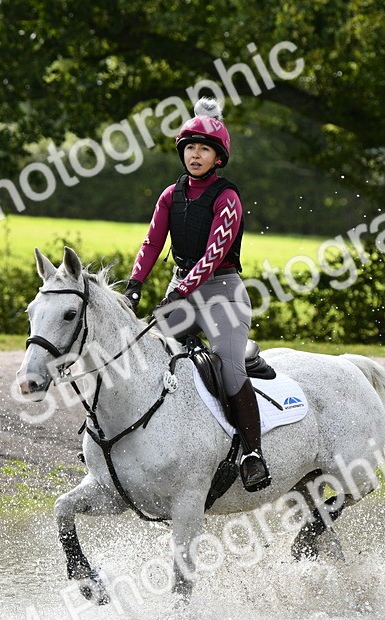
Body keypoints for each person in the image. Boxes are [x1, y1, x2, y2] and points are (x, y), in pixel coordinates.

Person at [122, 97, 270, 493]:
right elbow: (152, 242)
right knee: (145, 354)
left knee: (229, 367)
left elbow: (213, 255)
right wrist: (136, 283)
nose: (196, 154)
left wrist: (180, 292)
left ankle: (253, 454)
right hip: (181, 289)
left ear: (218, 157)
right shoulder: (170, 195)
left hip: (221, 292)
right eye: (190, 147)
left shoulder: (227, 197)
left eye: (204, 149)